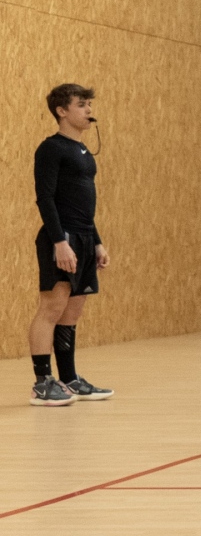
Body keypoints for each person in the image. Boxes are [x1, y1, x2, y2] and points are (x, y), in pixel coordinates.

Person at [30, 84, 112, 406]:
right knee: (52, 307)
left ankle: (69, 379)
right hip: (61, 238)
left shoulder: (83, 153)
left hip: (84, 238)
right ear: (62, 111)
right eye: (81, 104)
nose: (89, 110)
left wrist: (97, 242)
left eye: (89, 104)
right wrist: (59, 241)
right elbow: (45, 198)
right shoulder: (51, 149)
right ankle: (42, 383)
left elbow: (82, 205)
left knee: (72, 311)